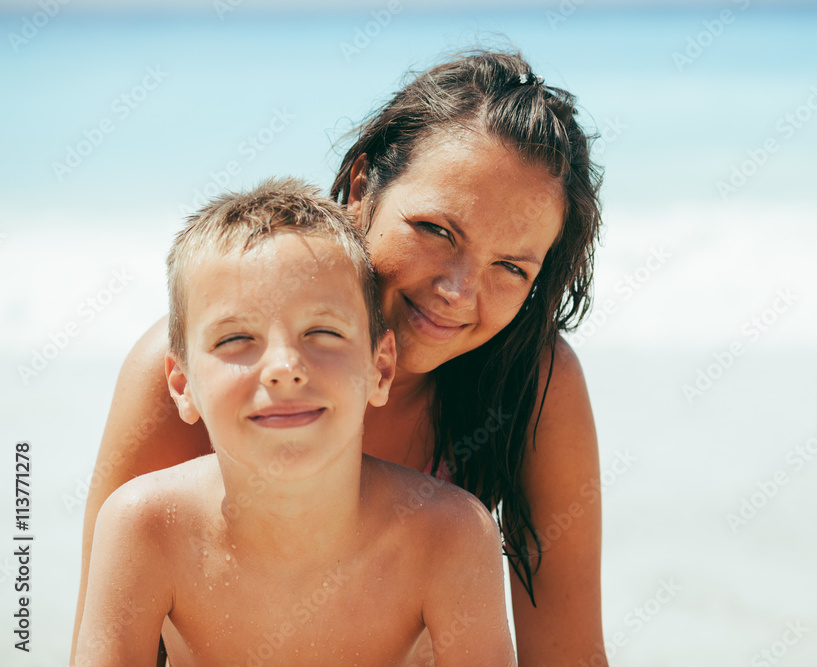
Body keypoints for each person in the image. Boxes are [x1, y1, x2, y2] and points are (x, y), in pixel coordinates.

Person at [73, 49, 607, 665]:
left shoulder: (530, 384)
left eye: (511, 267)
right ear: (361, 188)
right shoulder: (205, 374)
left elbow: (569, 655)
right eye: (437, 230)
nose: (458, 291)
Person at [75, 180, 516, 666]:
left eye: (323, 332)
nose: (284, 365)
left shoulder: (450, 536)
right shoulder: (144, 526)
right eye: (237, 338)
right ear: (182, 385)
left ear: (381, 368)